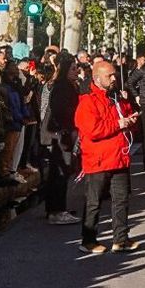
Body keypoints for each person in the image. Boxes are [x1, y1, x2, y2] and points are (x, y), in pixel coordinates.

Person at [76, 59, 137, 254]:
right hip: (99, 158)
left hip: (119, 155)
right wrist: (119, 124)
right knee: (94, 202)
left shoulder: (117, 97)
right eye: (108, 75)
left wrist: (130, 117)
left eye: (114, 74)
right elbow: (93, 130)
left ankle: (120, 238)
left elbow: (126, 118)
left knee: (121, 199)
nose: (113, 78)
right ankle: (88, 239)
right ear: (96, 78)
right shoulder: (88, 101)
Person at [45, 56, 81, 226]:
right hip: (63, 133)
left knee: (62, 171)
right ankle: (57, 210)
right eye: (73, 68)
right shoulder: (62, 87)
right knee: (60, 171)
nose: (77, 71)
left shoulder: (70, 86)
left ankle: (57, 207)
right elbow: (60, 110)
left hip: (67, 131)